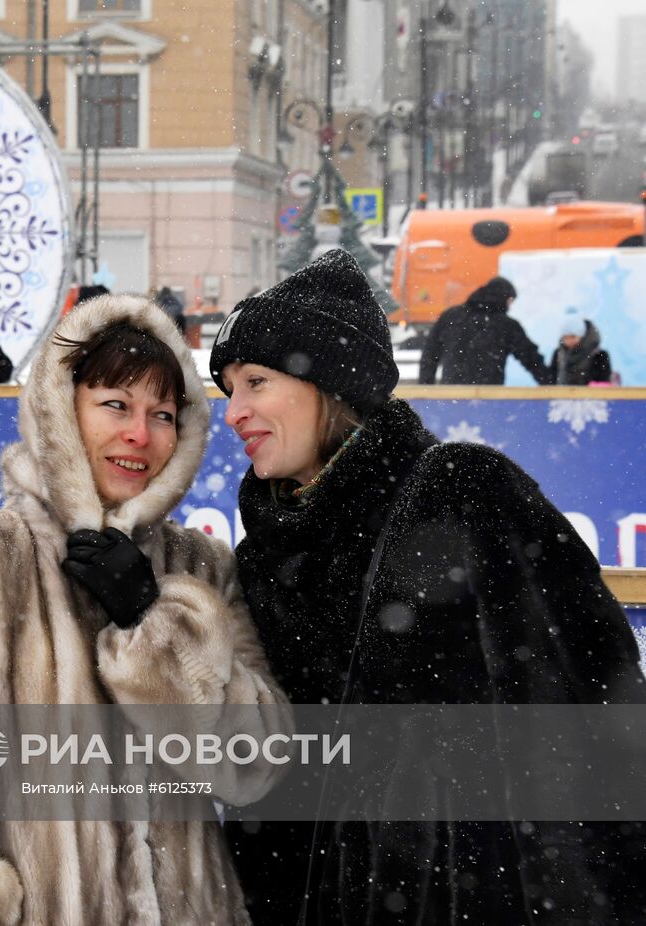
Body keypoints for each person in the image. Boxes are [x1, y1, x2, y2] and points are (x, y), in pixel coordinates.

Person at [210, 249, 646, 924]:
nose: (234, 412)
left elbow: (591, 713)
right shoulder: (266, 553)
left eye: (256, 382)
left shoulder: (462, 490)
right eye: (228, 389)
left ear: (330, 386)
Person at [0, 295, 287, 923]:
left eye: (163, 414)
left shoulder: (202, 569)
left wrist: (152, 627)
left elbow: (255, 769)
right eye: (115, 405)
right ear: (58, 411)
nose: (140, 434)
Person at [417, 275, 553, 385]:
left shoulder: (451, 317)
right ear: (503, 298)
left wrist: (426, 388)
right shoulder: (506, 325)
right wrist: (550, 384)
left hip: (452, 396)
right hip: (490, 399)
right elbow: (530, 357)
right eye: (510, 301)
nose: (510, 306)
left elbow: (430, 354)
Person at [550, 309, 613, 385]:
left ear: (582, 336)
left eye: (573, 337)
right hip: (562, 396)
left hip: (591, 396)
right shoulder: (558, 354)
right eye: (565, 337)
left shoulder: (600, 356)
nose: (569, 341)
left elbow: (604, 386)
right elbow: (550, 382)